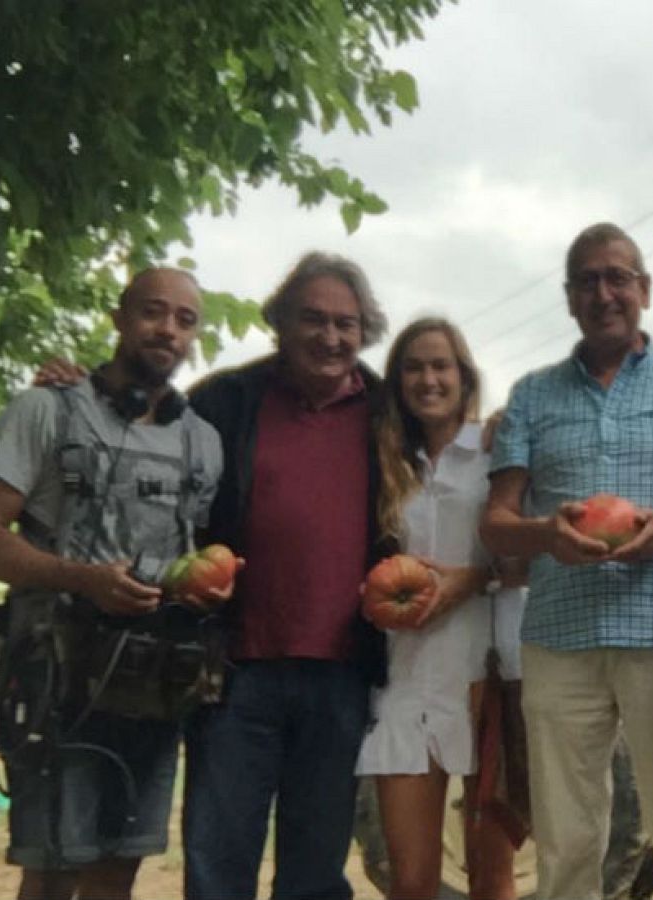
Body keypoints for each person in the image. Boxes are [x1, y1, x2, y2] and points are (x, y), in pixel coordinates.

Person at [0, 269, 224, 900]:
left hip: (156, 684)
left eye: (185, 321)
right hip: (57, 677)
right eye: (154, 313)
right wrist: (79, 578)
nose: (169, 330)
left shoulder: (203, 443)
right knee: (52, 872)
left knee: (117, 871)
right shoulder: (43, 411)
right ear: (119, 318)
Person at [480, 223, 653, 900]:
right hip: (562, 638)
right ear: (568, 298)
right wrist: (547, 535)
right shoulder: (533, 394)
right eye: (587, 280)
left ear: (644, 289)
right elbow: (498, 523)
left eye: (618, 277)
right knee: (566, 843)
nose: (604, 292)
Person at [181, 252, 392, 900]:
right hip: (236, 672)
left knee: (315, 870)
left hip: (342, 674)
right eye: (313, 319)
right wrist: (78, 384)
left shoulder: (391, 410)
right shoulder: (224, 399)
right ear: (280, 322)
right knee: (219, 862)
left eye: (346, 324)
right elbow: (144, 431)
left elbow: (459, 448)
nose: (330, 337)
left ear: (365, 331)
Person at [354, 318, 527, 900]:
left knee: (491, 880)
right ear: (397, 380)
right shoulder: (381, 462)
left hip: (486, 675)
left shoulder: (494, 453)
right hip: (405, 678)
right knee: (411, 882)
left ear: (464, 376)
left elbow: (528, 557)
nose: (428, 379)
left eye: (440, 366)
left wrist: (470, 580)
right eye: (413, 367)